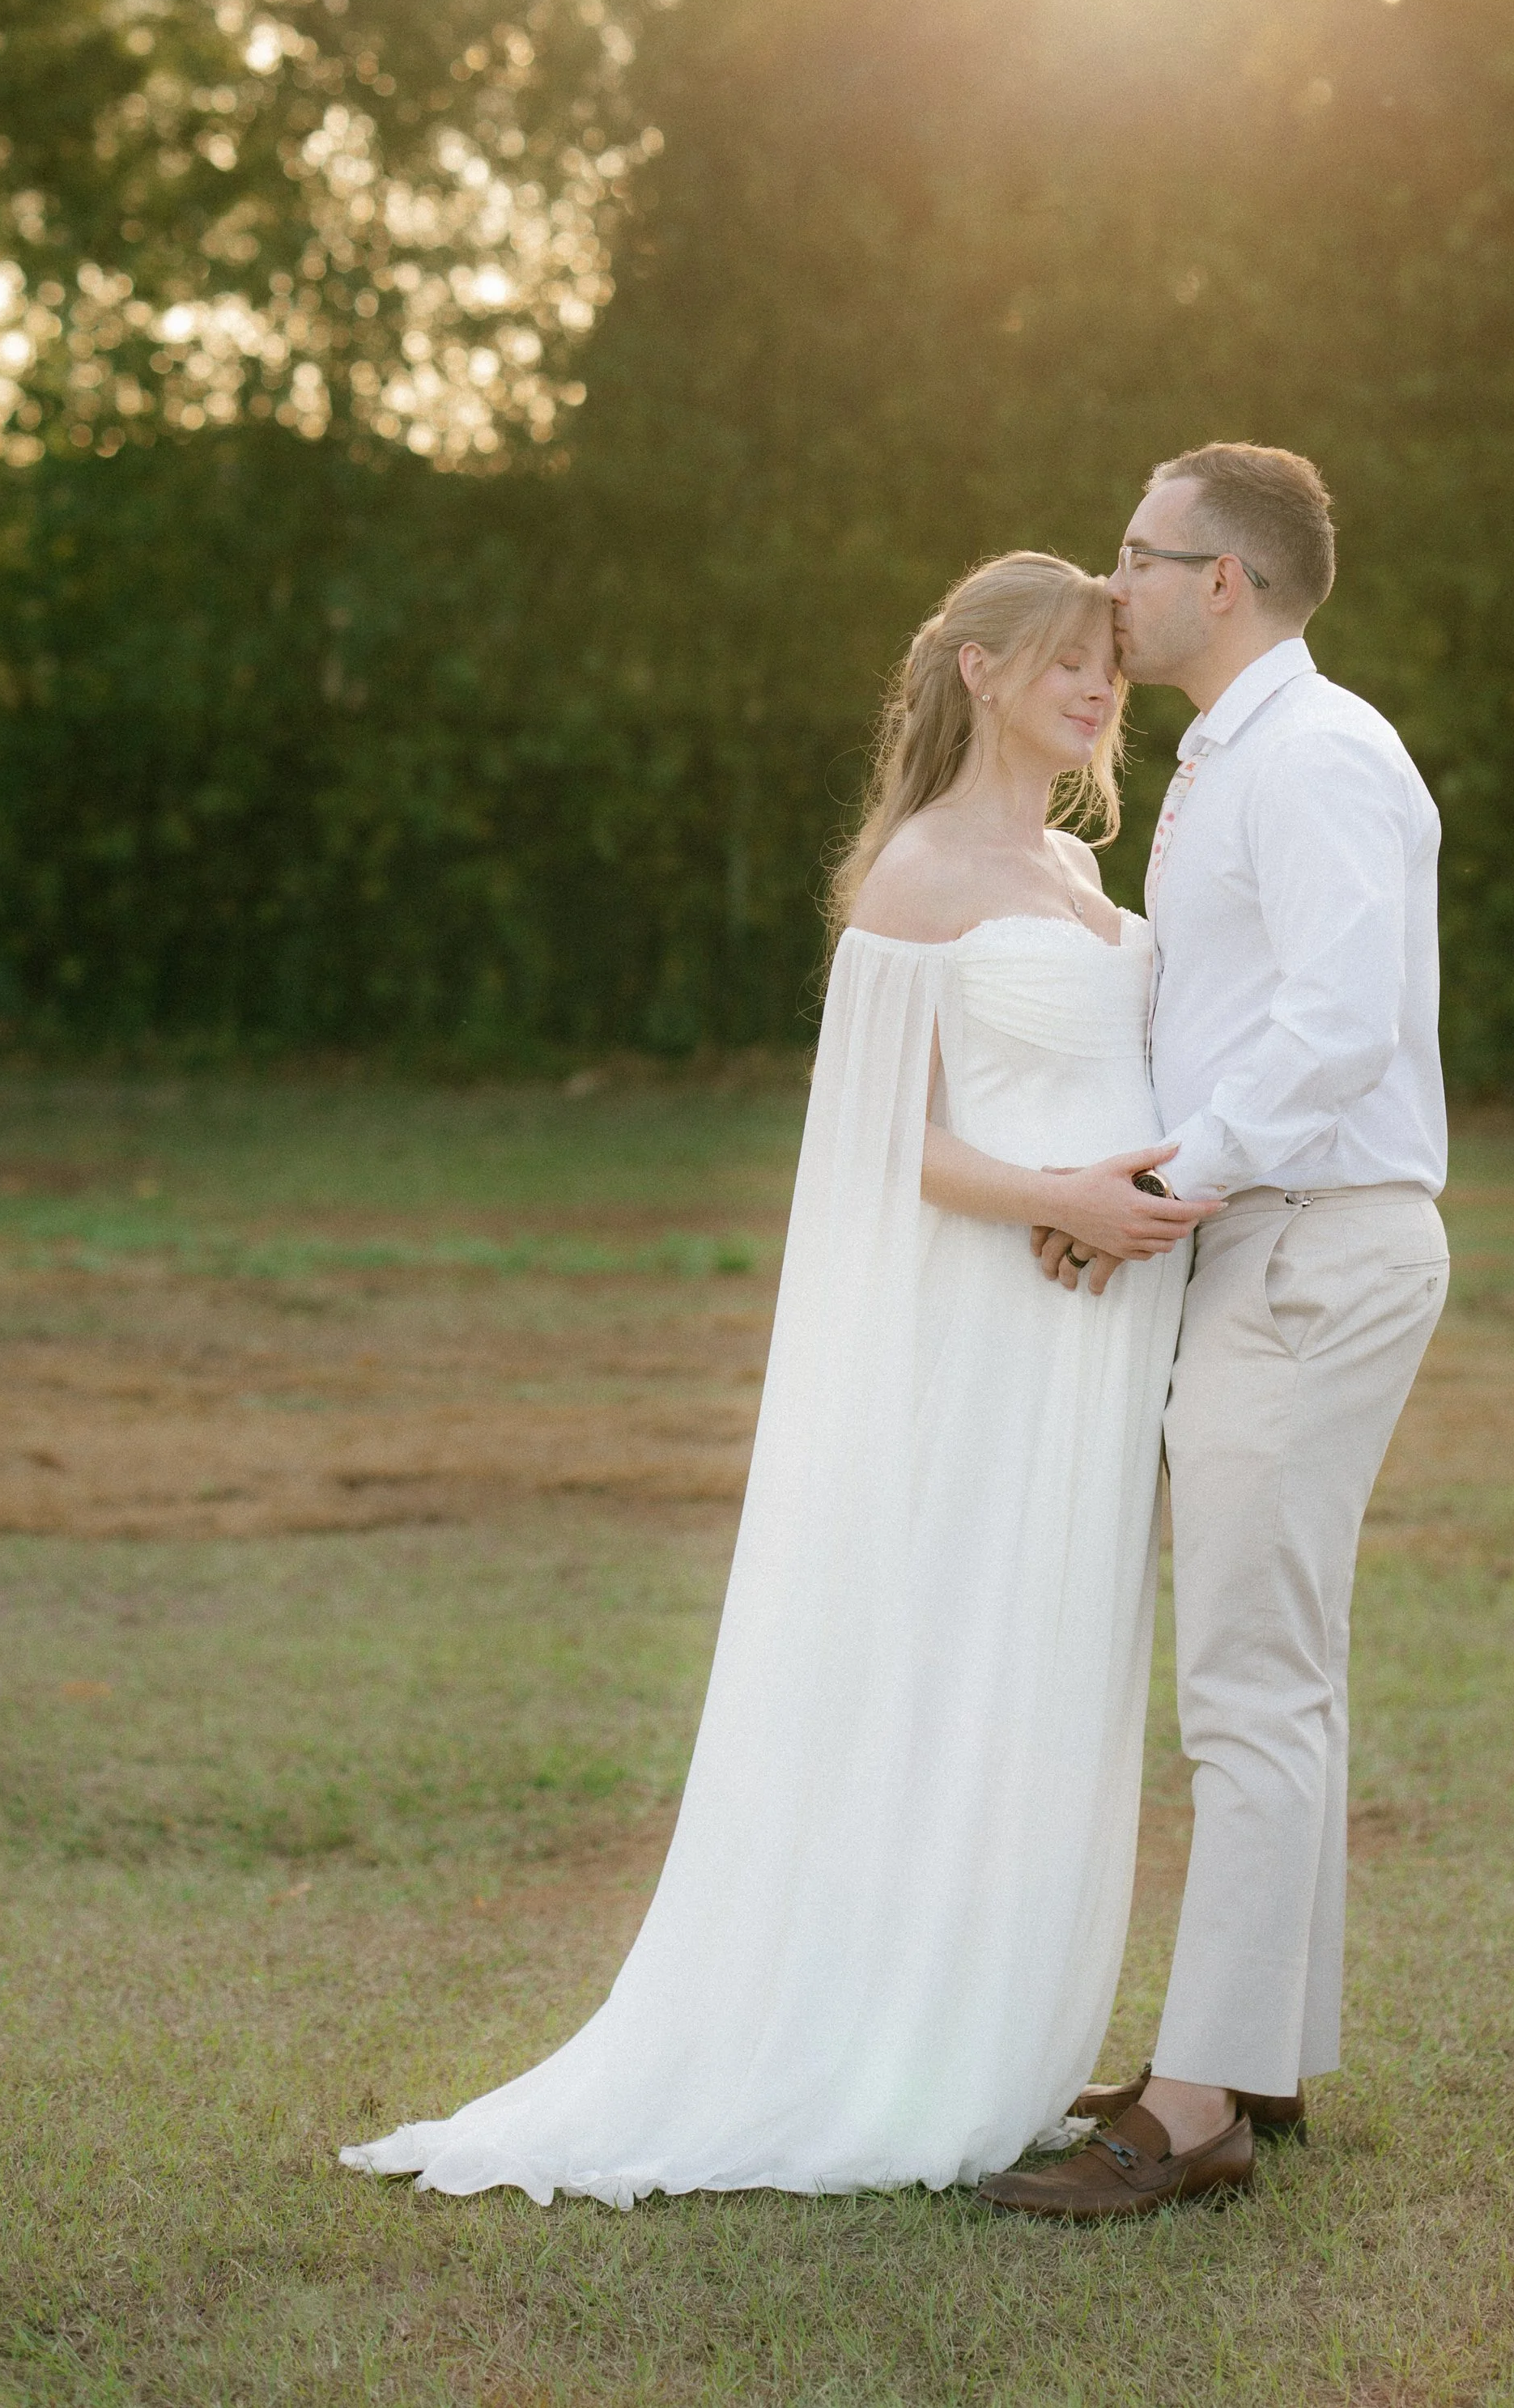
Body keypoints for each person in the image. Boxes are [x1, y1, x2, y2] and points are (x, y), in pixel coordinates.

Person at [338, 551, 1219, 2209]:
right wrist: (1064, 1200)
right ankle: (889, 2037)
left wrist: (1138, 1203)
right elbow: (874, 1140)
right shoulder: (917, 874)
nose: (1098, 688)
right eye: (1063, 659)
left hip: (1101, 1331)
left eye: (1110, 662)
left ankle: (1002, 2025)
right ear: (975, 668)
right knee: (947, 1654)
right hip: (997, 1315)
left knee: (1049, 1662)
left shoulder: (1075, 860)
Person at [979, 443, 1448, 2221]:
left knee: (1247, 1681)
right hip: (1265, 1235)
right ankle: (1257, 2048)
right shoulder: (1232, 755)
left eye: (1137, 554)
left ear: (1221, 582)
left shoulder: (1319, 756)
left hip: (1306, 1239)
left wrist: (1167, 1181)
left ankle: (1193, 2113)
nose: (1114, 585)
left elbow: (1339, 1023)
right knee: (1277, 1664)